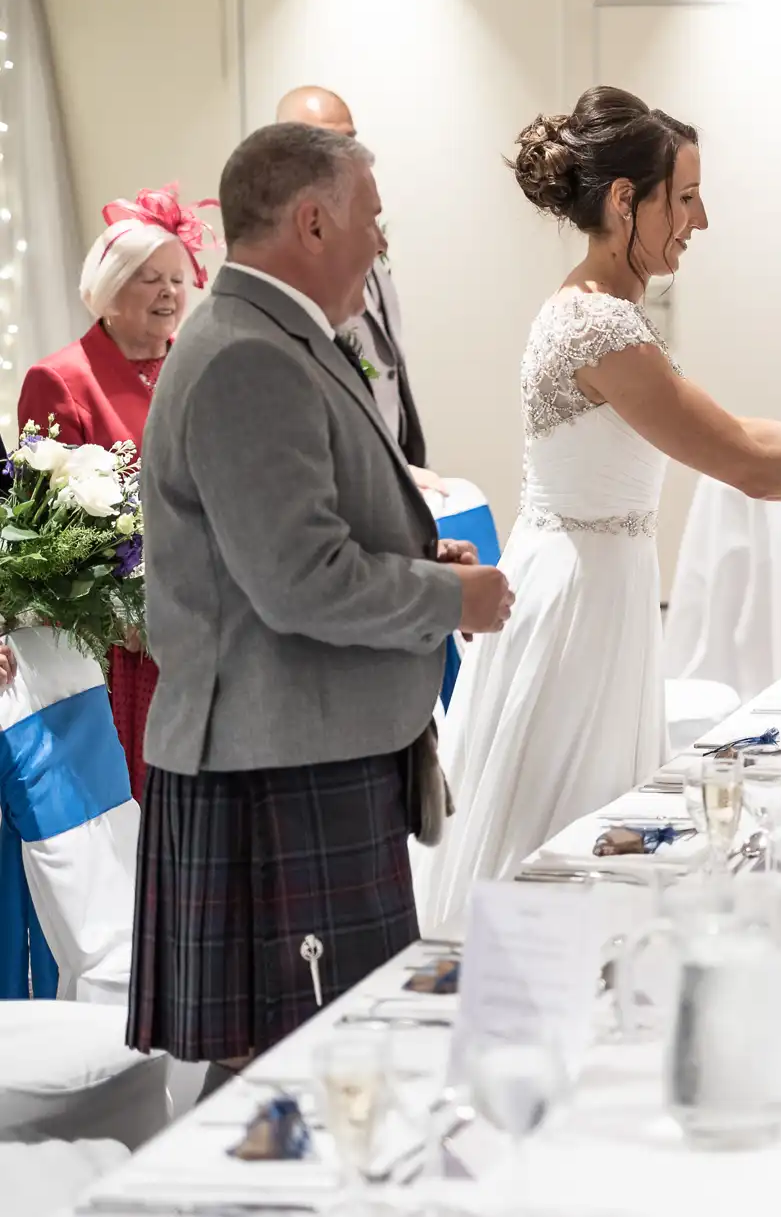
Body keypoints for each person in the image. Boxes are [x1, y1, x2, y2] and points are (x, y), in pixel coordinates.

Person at [416, 87, 781, 934]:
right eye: (684, 197)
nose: (702, 219)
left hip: (593, 591)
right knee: (564, 843)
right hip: (579, 607)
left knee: (582, 841)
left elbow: (735, 429)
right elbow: (749, 466)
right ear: (625, 201)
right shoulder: (597, 328)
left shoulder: (603, 313)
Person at [128, 123, 513, 1084]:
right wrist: (445, 592)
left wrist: (420, 553)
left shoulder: (274, 337)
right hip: (276, 766)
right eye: (372, 220)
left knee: (328, 1058)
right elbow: (297, 579)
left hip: (299, 748)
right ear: (311, 221)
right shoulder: (245, 355)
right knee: (293, 1068)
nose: (381, 243)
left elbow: (290, 539)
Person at [14, 187, 215, 798]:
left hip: (211, 620)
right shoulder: (59, 379)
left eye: (177, 279)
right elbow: (42, 529)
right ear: (109, 287)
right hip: (119, 642)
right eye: (149, 279)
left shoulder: (200, 365)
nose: (168, 294)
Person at [275, 86, 437, 485]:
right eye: (324, 143)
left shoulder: (364, 234)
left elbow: (387, 361)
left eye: (348, 141)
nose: (342, 157)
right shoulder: (281, 262)